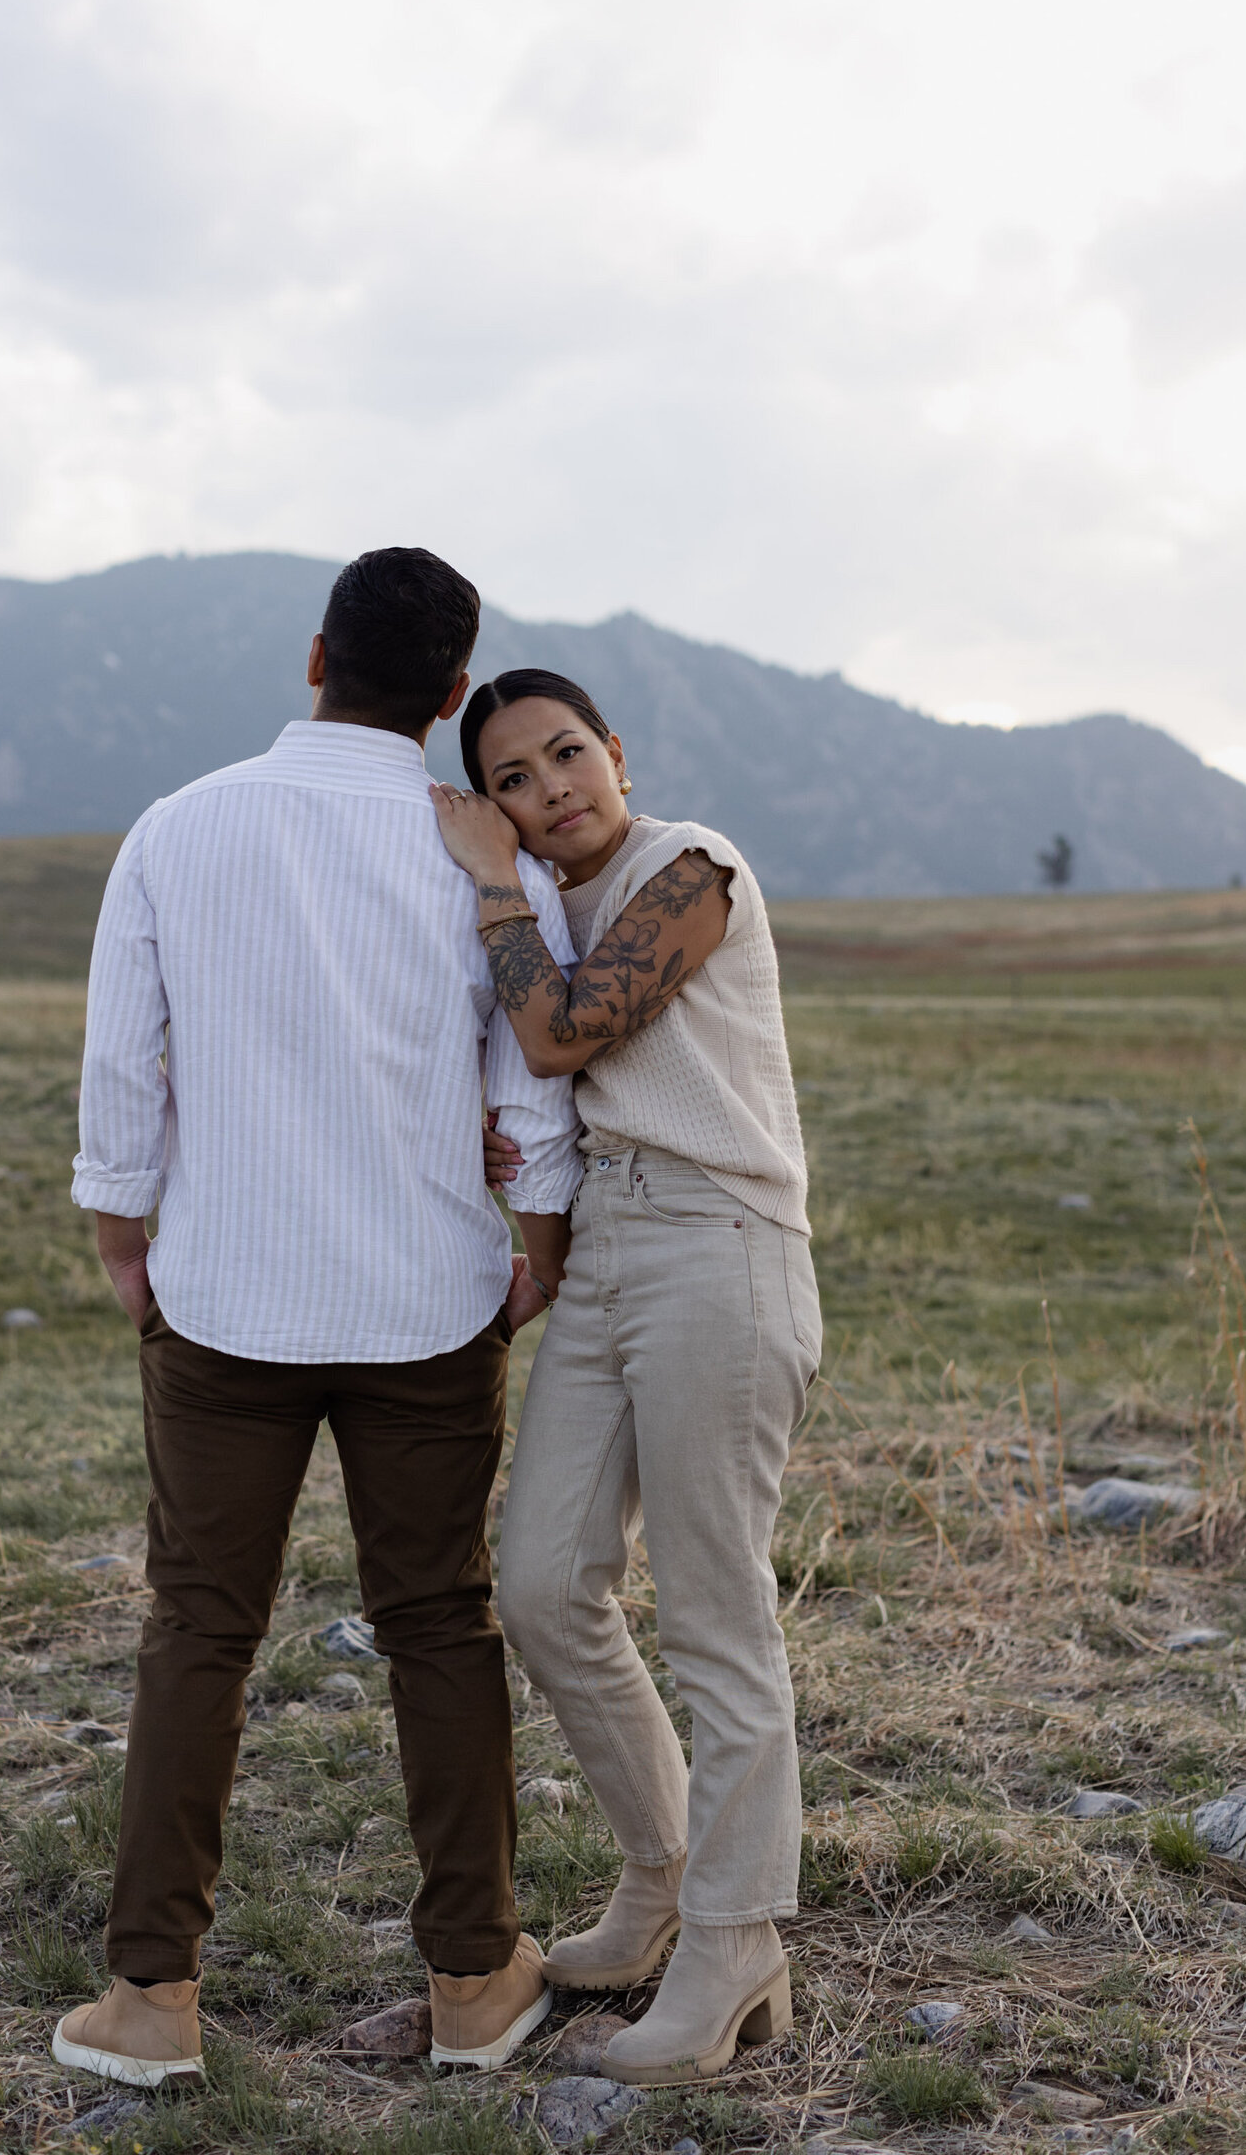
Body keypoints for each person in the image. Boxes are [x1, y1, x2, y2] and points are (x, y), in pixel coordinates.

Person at [55, 555, 582, 2088]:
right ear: (443, 695)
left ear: (312, 658)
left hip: (222, 1305)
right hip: (428, 1305)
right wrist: (532, 1251)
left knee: (198, 1630)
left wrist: (122, 1242)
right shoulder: (483, 859)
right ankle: (479, 1980)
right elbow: (531, 1090)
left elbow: (121, 1066)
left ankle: (153, 2002)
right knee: (438, 1622)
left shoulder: (179, 828)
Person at [430, 668, 821, 2088]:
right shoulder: (547, 903)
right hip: (604, 1251)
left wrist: (484, 880)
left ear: (618, 755)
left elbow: (560, 1029)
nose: (549, 791)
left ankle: (734, 1945)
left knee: (720, 1618)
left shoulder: (691, 866)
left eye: (566, 755)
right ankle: (662, 1883)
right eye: (515, 781)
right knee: (541, 1581)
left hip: (720, 1243)